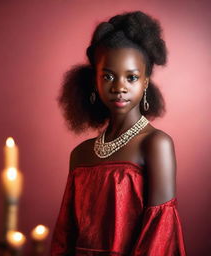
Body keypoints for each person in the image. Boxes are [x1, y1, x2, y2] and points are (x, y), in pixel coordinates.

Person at [50, 10, 187, 256]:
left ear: (145, 82)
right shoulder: (80, 155)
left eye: (131, 77)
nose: (119, 87)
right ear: (95, 81)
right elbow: (64, 237)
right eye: (108, 76)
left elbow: (160, 236)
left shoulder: (156, 144)